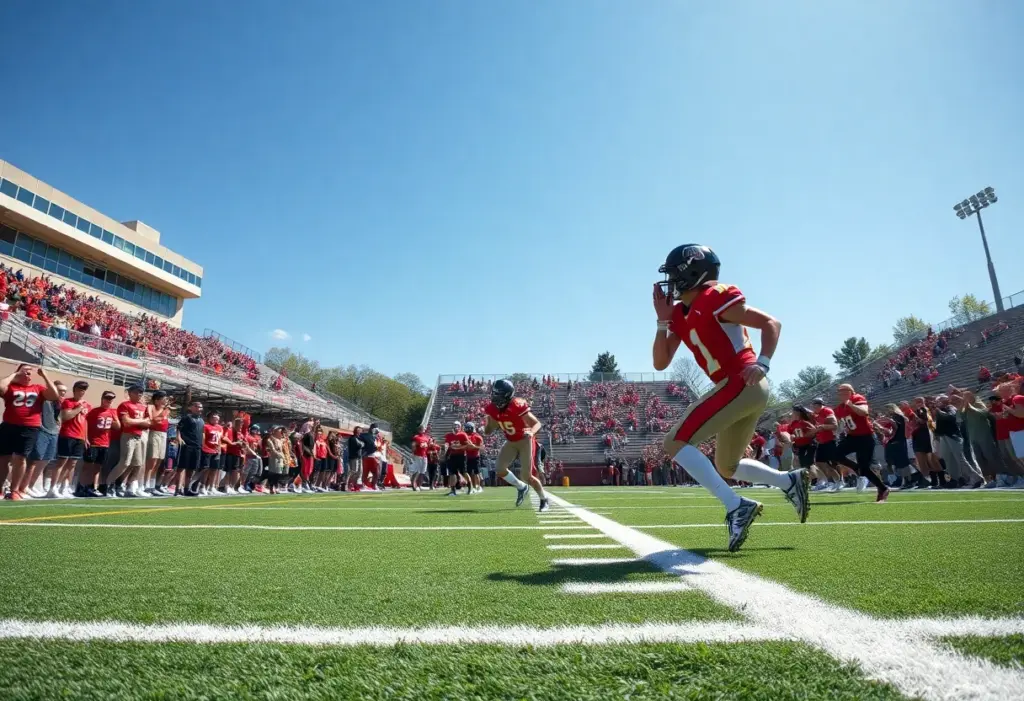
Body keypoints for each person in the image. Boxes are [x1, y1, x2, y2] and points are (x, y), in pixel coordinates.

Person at [651, 244, 808, 552]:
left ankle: (736, 505)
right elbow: (660, 361)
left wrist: (762, 362)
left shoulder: (714, 297)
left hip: (739, 381)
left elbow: (771, 324)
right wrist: (662, 322)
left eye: (673, 274)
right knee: (727, 466)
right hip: (740, 390)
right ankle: (788, 481)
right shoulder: (682, 315)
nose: (669, 282)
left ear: (692, 273)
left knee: (675, 442)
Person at [482, 379, 550, 512]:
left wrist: (531, 432)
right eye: (494, 393)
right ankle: (521, 487)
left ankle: (543, 499)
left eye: (498, 394)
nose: (494, 397)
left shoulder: (517, 405)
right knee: (500, 469)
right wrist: (489, 423)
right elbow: (488, 430)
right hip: (511, 441)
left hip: (525, 440)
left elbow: (537, 423)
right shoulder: (491, 408)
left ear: (507, 395)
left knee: (527, 475)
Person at [833, 384, 889, 502]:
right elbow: (841, 422)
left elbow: (863, 412)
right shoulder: (839, 408)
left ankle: (882, 488)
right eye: (838, 392)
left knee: (864, 469)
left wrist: (851, 405)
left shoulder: (857, 398)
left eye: (842, 392)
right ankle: (857, 468)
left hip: (865, 437)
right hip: (852, 437)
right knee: (835, 454)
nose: (839, 394)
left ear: (850, 391)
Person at [106, 384, 151, 497]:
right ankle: (108, 485)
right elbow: (126, 422)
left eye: (140, 392)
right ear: (130, 393)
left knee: (137, 464)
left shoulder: (143, 406)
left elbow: (149, 422)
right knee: (125, 462)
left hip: (140, 436)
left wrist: (137, 421)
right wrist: (141, 421)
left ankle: (124, 485)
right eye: (136, 392)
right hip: (128, 435)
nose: (139, 394)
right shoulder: (125, 405)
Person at [25, 380, 65, 498]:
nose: (62, 393)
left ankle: (31, 486)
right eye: (60, 390)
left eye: (64, 391)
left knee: (46, 460)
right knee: (34, 460)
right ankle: (24, 486)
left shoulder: (59, 402)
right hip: (42, 431)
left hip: (54, 433)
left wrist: (58, 425)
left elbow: (58, 416)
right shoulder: (45, 399)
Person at [53, 380, 90, 499]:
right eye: (80, 389)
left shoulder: (87, 405)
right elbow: (65, 416)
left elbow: (85, 422)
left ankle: (65, 486)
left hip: (79, 437)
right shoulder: (68, 402)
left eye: (84, 389)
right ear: (74, 390)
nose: (82, 391)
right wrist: (78, 408)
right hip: (68, 435)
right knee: (62, 462)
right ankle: (54, 487)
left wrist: (86, 437)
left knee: (72, 464)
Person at [78, 391, 119, 497]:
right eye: (107, 398)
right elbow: (85, 423)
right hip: (93, 442)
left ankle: (93, 486)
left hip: (105, 443)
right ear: (102, 398)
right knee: (87, 465)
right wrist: (85, 438)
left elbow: (117, 426)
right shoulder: (94, 411)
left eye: (111, 399)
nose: (109, 401)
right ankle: (81, 486)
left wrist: (115, 417)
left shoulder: (112, 412)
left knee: (98, 467)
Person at [173, 399, 204, 496]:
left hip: (197, 447)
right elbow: (178, 428)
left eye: (200, 407)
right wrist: (179, 438)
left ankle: (187, 489)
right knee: (181, 467)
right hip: (187, 445)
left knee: (191, 469)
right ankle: (178, 489)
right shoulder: (187, 418)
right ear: (192, 407)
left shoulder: (201, 420)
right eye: (197, 407)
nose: (199, 409)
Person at [145, 391, 172, 496]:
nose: (165, 400)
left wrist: (163, 414)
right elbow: (153, 419)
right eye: (163, 398)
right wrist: (162, 414)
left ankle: (152, 485)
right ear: (157, 400)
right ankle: (145, 484)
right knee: (152, 460)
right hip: (154, 433)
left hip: (163, 434)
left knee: (159, 461)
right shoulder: (152, 407)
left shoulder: (165, 410)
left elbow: (159, 421)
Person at [442, 420, 470, 497]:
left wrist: (459, 447)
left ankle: (470, 487)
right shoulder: (449, 435)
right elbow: (447, 443)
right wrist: (446, 447)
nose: (456, 427)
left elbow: (468, 445)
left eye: (457, 426)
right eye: (454, 425)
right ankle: (453, 490)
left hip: (461, 456)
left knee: (464, 472)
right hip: (452, 456)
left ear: (460, 427)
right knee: (452, 473)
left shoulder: (463, 435)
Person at [464, 421, 484, 494]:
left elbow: (481, 447)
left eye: (468, 428)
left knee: (476, 473)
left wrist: (473, 446)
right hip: (468, 457)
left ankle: (478, 487)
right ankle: (472, 487)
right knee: (469, 473)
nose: (466, 429)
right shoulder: (465, 436)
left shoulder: (477, 436)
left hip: (475, 456)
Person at [409, 427, 431, 491]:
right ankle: (413, 484)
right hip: (418, 455)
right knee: (417, 471)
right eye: (421, 429)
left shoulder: (426, 437)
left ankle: (419, 485)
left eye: (423, 429)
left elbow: (427, 446)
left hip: (424, 456)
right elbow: (413, 445)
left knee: (422, 472)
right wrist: (412, 453)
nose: (423, 430)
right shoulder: (416, 437)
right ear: (419, 430)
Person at [345, 427, 364, 491]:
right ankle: (347, 483)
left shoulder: (359, 439)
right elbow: (359, 445)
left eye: (360, 431)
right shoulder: (352, 438)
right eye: (359, 431)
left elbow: (363, 444)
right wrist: (361, 444)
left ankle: (354, 484)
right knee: (353, 470)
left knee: (359, 472)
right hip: (354, 457)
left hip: (359, 457)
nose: (360, 432)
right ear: (356, 431)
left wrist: (362, 444)